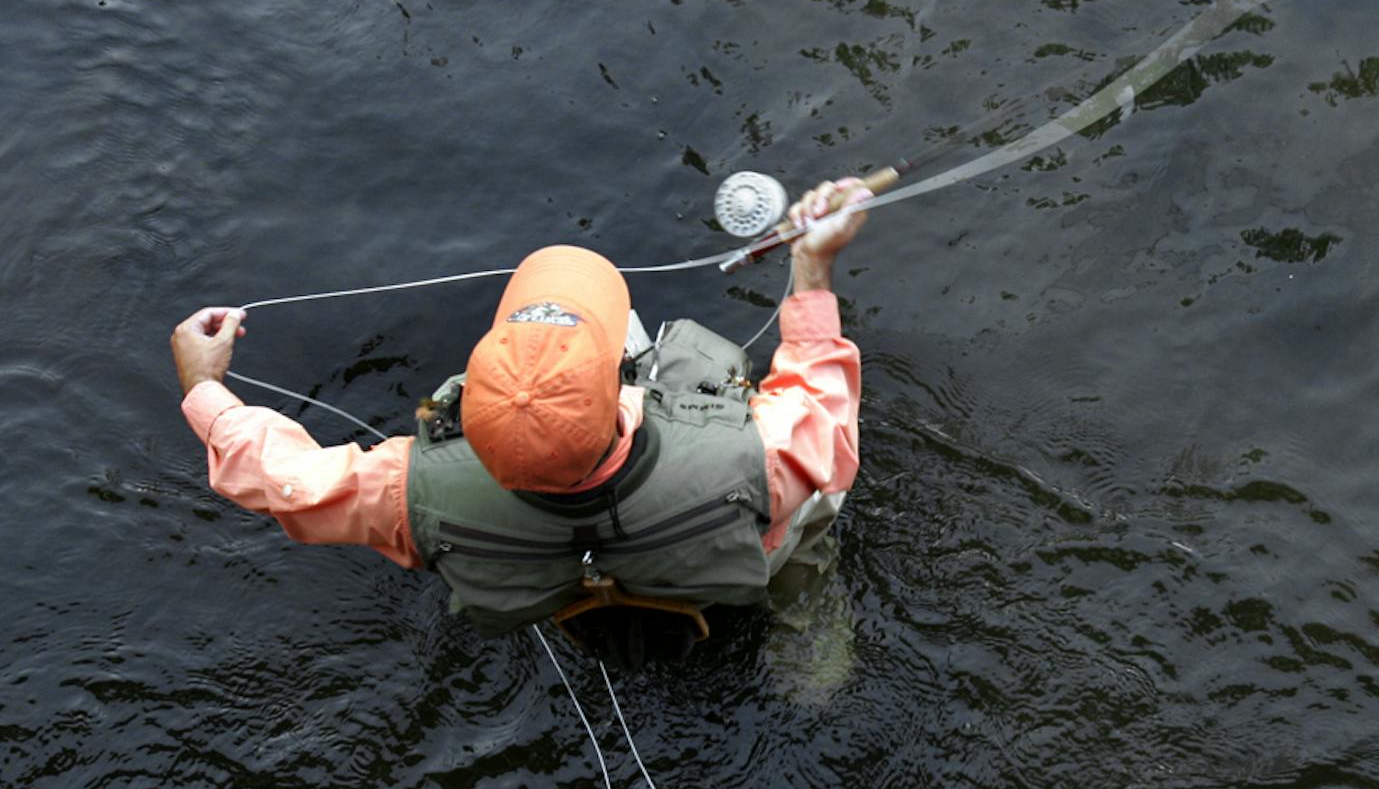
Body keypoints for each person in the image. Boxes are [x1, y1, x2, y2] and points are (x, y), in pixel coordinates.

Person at [170, 179, 873, 665]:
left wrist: (205, 388)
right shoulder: (755, 458)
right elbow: (824, 413)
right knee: (820, 490)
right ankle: (803, 608)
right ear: (618, 393)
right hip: (698, 562)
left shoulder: (405, 492)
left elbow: (279, 480)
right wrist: (812, 268)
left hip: (559, 588)